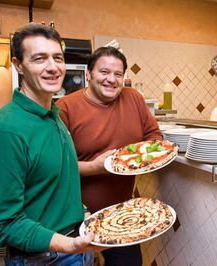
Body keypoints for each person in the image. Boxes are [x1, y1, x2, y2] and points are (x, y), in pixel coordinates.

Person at [0, 23, 98, 265]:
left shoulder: (52, 113)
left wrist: (83, 214)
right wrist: (68, 245)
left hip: (76, 247)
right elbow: (3, 224)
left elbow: (54, 183)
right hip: (43, 258)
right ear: (18, 65)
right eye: (39, 59)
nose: (52, 67)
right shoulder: (6, 130)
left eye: (57, 57)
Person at [57, 46, 162, 266]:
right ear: (88, 74)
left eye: (118, 74)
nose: (111, 79)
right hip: (75, 217)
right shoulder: (65, 108)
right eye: (104, 72)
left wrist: (145, 156)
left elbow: (154, 137)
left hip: (121, 213)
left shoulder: (133, 98)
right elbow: (55, 168)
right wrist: (97, 167)